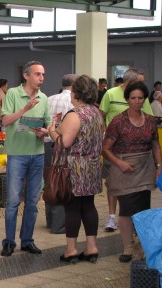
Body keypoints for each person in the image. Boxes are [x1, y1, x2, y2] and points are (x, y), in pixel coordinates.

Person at [102, 81, 162, 263]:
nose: (137, 101)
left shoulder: (151, 121)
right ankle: (127, 246)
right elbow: (105, 149)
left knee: (143, 209)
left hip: (145, 169)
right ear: (127, 99)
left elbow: (156, 146)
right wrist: (119, 163)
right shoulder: (118, 121)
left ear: (144, 100)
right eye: (133, 98)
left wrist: (159, 167)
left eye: (140, 98)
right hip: (124, 171)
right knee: (127, 209)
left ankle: (141, 244)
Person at [47, 75, 105, 263]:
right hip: (93, 166)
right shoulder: (97, 113)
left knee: (72, 208)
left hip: (75, 168)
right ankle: (91, 247)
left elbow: (65, 142)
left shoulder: (75, 114)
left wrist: (51, 131)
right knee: (89, 206)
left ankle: (71, 250)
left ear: (75, 93)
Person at [0, 61, 51, 257]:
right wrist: (25, 109)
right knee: (13, 200)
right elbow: (5, 121)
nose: (41, 78)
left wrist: (43, 132)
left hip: (37, 154)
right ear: (26, 76)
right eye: (38, 74)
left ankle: (27, 240)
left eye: (43, 75)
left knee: (32, 201)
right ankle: (9, 242)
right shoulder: (13, 93)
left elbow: (48, 126)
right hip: (17, 155)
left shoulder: (44, 98)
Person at [100, 68, 153, 232]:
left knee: (136, 195)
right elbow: (101, 115)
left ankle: (135, 227)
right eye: (140, 80)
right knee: (112, 184)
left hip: (138, 156)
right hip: (114, 150)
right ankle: (111, 216)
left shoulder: (142, 99)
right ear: (130, 81)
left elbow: (150, 121)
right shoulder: (110, 94)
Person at [44, 74, 78, 234]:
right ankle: (59, 224)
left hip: (45, 145)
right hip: (62, 145)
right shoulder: (72, 102)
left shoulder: (48, 99)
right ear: (74, 85)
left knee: (50, 181)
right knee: (62, 182)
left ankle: (50, 221)